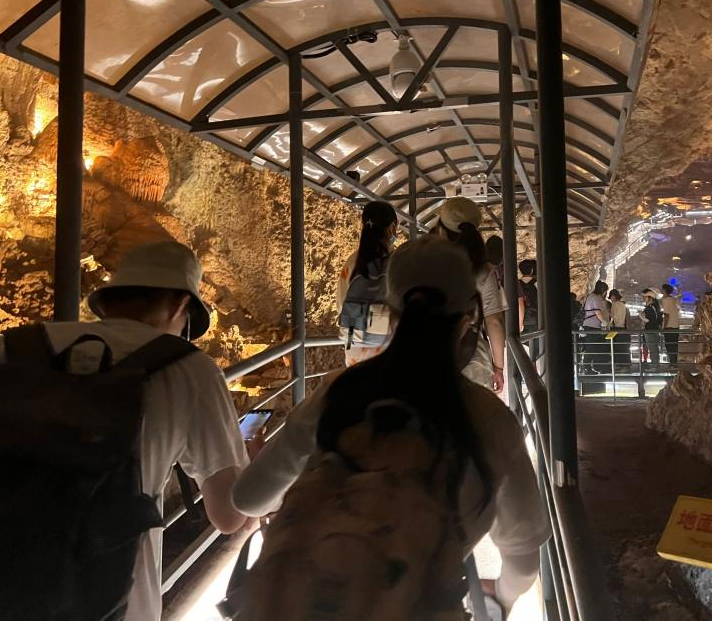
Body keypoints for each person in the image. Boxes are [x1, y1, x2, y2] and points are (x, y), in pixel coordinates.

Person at [232, 237, 550, 617]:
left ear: (391, 311)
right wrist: (502, 596)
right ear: (469, 315)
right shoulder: (488, 419)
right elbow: (523, 557)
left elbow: (248, 498)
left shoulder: (338, 392)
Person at [0, 242, 251, 621]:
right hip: (117, 605)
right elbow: (228, 516)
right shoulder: (190, 368)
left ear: (109, 300)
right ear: (180, 306)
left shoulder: (14, 346)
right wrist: (255, 473)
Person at [432, 197, 506, 393]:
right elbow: (494, 322)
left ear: (441, 230)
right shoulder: (483, 272)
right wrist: (499, 368)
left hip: (430, 358)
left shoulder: (424, 263)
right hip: (473, 358)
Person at [336, 201, 398, 367]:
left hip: (355, 348)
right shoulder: (399, 261)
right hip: (389, 347)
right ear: (392, 227)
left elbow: (341, 304)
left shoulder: (352, 262)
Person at [487, 234, 527, 330]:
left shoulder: (481, 271)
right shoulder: (507, 272)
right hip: (504, 323)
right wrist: (518, 328)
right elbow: (519, 301)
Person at [580, 280, 608, 374]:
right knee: (592, 347)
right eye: (606, 291)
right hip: (593, 326)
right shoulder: (597, 297)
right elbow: (597, 312)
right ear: (603, 290)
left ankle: (588, 367)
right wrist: (604, 322)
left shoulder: (590, 296)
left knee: (590, 347)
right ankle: (588, 368)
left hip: (587, 324)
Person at [607, 289, 631, 367]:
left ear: (614, 296)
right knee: (623, 348)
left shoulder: (615, 304)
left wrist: (609, 312)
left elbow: (615, 317)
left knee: (617, 348)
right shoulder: (622, 304)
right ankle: (625, 365)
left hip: (616, 328)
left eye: (611, 297)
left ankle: (619, 365)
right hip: (623, 328)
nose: (610, 299)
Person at [640, 288, 663, 367]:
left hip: (650, 330)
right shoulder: (655, 307)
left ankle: (655, 365)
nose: (643, 298)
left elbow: (647, 320)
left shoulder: (650, 307)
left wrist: (640, 315)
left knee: (652, 348)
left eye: (645, 296)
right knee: (654, 348)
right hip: (654, 330)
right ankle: (655, 364)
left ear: (650, 298)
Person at [660, 283, 681, 365]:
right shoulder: (673, 299)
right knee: (674, 345)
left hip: (669, 326)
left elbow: (666, 314)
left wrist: (664, 327)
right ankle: (674, 363)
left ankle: (672, 363)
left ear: (665, 290)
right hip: (676, 326)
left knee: (669, 345)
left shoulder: (666, 300)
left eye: (662, 289)